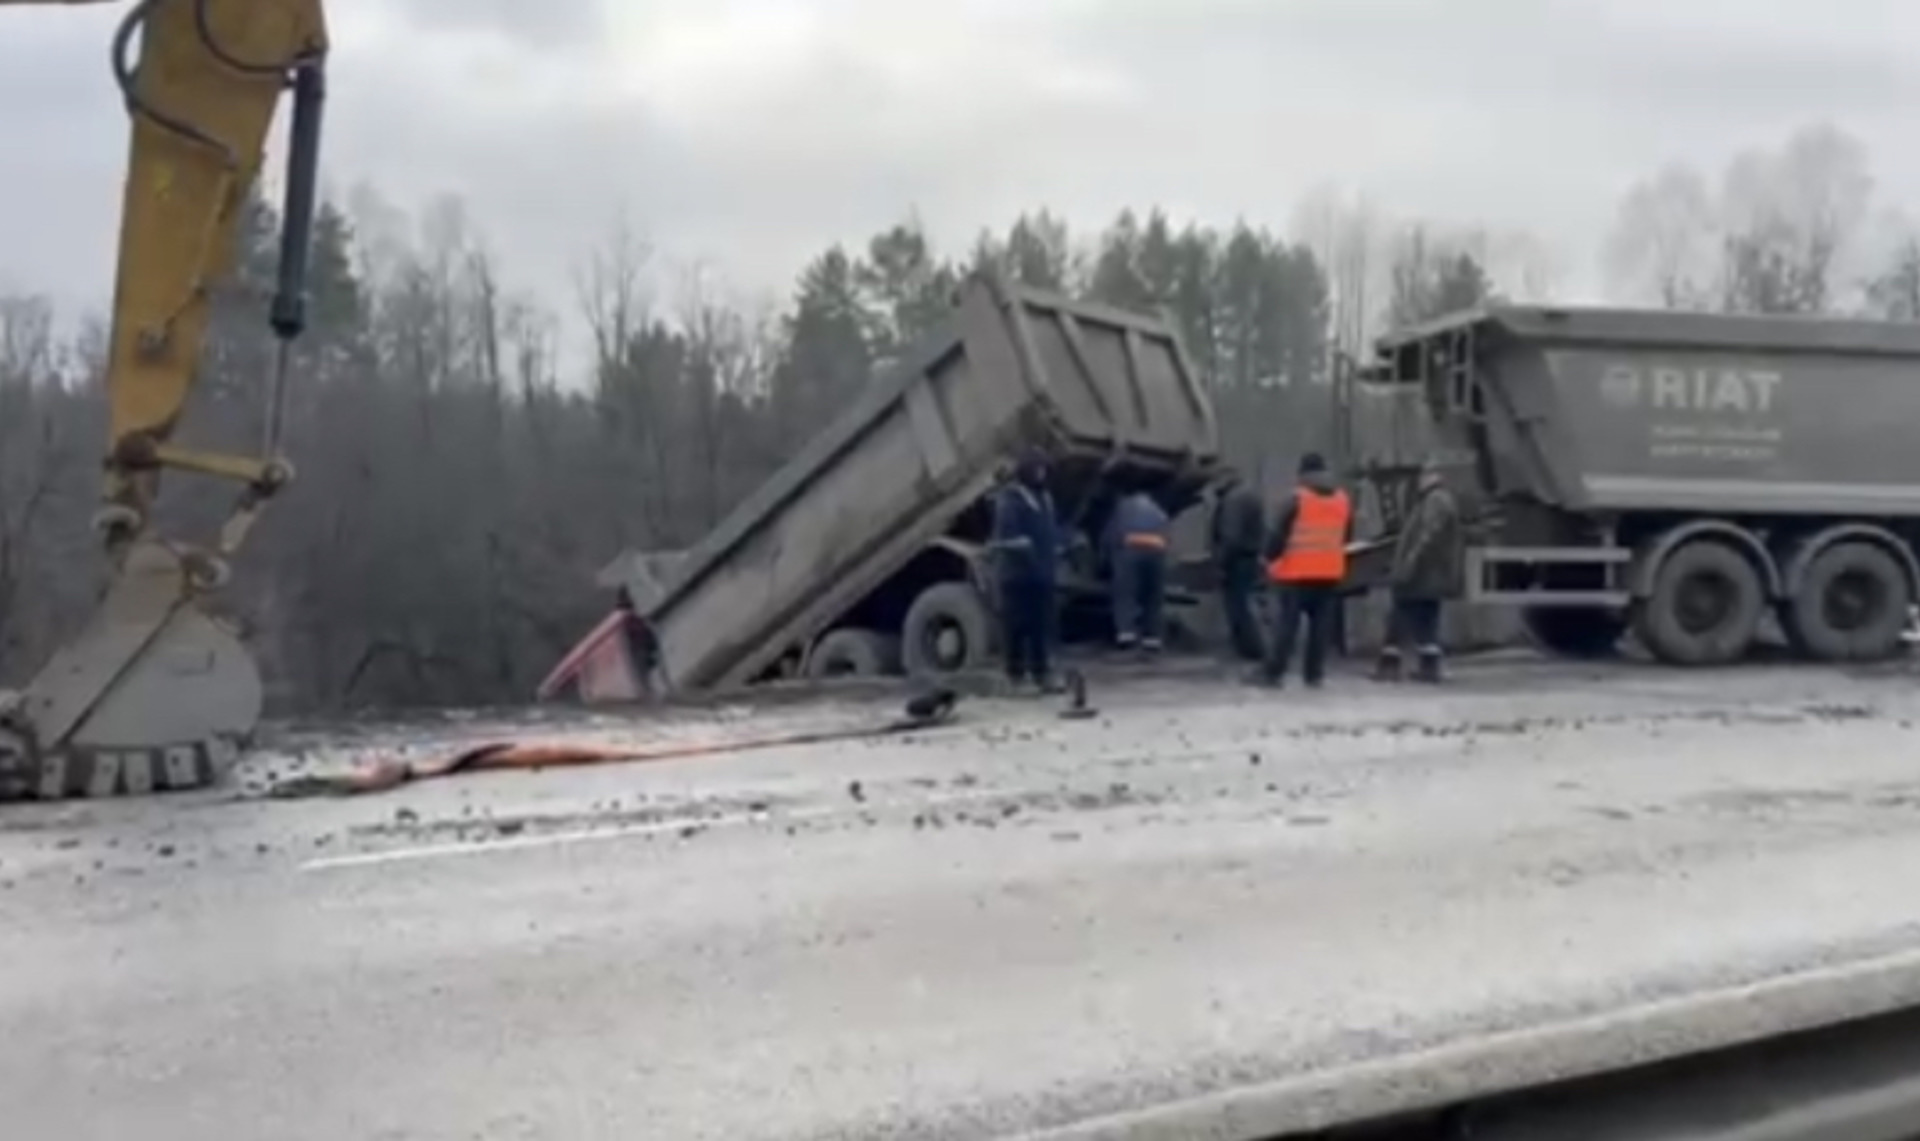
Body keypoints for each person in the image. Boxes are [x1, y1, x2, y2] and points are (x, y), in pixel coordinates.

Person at [1256, 452, 1354, 689]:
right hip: (1329, 573)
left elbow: (1278, 534)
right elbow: (1347, 535)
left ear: (1302, 474)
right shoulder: (1342, 500)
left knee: (1287, 626)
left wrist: (1267, 558)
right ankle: (1314, 674)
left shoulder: (1296, 499)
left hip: (1296, 573)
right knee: (1320, 628)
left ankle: (1273, 673)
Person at [1375, 459, 1465, 683]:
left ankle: (1390, 666)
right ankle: (1428, 667)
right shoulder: (1435, 500)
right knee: (1426, 620)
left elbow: (1427, 536)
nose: (1419, 481)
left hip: (1423, 573)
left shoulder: (1435, 501)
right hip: (1430, 574)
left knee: (1400, 615)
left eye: (1423, 476)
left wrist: (1409, 563)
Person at [989, 448, 1062, 693]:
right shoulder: (1011, 498)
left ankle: (1042, 674)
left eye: (1043, 469)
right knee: (1016, 628)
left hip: (1042, 574)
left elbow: (1052, 532)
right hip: (1016, 575)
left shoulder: (1045, 498)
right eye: (1036, 469)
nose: (1041, 474)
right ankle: (1016, 677)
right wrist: (1020, 545)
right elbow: (1005, 537)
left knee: (1042, 627)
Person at [1103, 482, 1171, 653]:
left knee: (1126, 593)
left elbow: (1112, 534)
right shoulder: (1157, 510)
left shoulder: (1123, 508)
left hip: (1131, 552)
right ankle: (1152, 637)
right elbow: (1167, 533)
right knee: (1153, 595)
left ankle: (1126, 634)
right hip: (1156, 553)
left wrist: (1105, 556)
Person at [1209, 466, 1267, 662]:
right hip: (1249, 556)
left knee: (1238, 606)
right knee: (1246, 603)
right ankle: (1254, 649)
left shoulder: (1233, 500)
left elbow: (1230, 535)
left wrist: (1220, 563)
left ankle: (1250, 650)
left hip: (1237, 560)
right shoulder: (1249, 495)